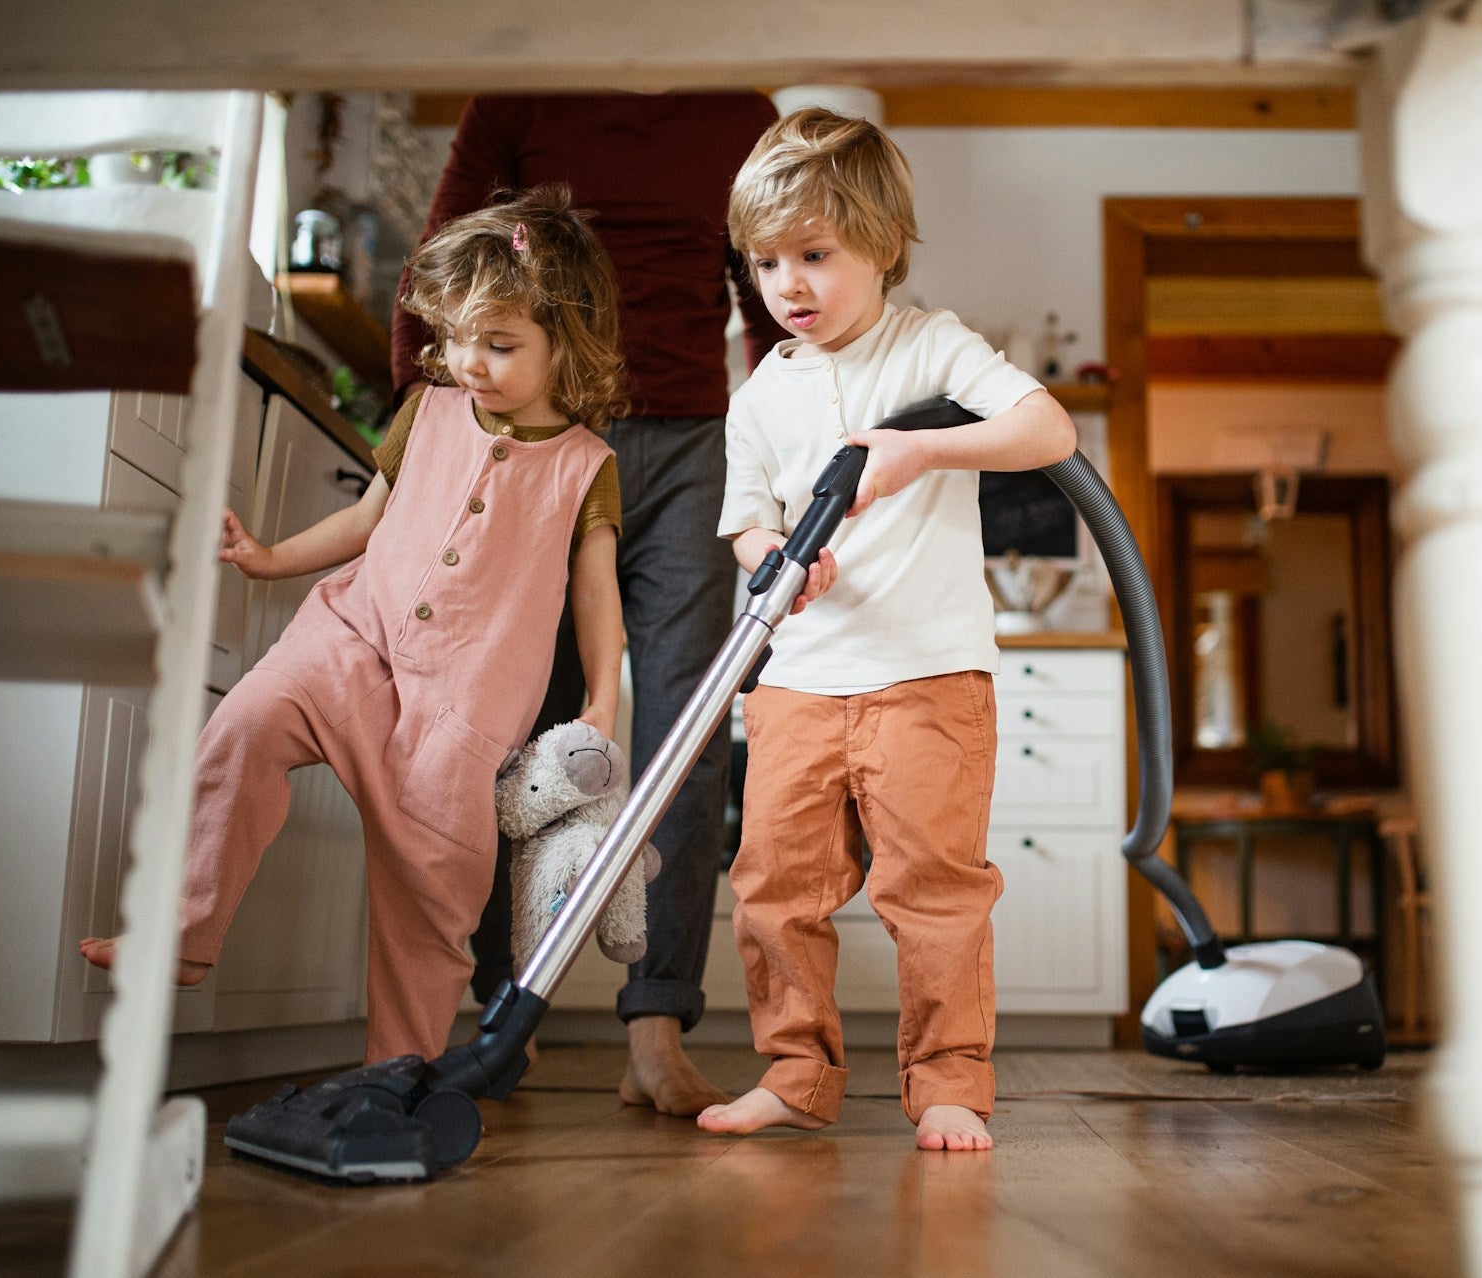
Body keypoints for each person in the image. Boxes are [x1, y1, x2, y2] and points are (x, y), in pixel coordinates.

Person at [82, 186, 627, 1066]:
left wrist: (602, 699)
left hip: (461, 708)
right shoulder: (428, 410)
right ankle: (179, 932)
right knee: (246, 724)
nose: (469, 362)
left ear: (569, 342)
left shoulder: (585, 467)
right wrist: (269, 555)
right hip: (351, 638)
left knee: (434, 890)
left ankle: (397, 1075)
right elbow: (369, 519)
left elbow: (596, 593)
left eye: (500, 345)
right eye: (455, 338)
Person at [391, 93, 788, 1115]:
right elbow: (439, 255)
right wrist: (425, 437)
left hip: (699, 445)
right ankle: (498, 1015)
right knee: (511, 719)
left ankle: (655, 1028)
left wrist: (778, 445)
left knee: (684, 728)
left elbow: (759, 296)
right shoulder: (518, 94)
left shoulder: (739, 111)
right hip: (541, 435)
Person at [695, 108, 1077, 1151]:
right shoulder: (759, 394)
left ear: (881, 243)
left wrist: (924, 454)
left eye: (815, 255)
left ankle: (949, 1083)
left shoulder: (928, 346)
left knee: (934, 891)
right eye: (769, 261)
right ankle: (794, 1071)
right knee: (775, 886)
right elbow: (746, 526)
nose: (790, 286)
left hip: (931, 678)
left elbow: (1049, 429)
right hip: (799, 681)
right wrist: (778, 562)